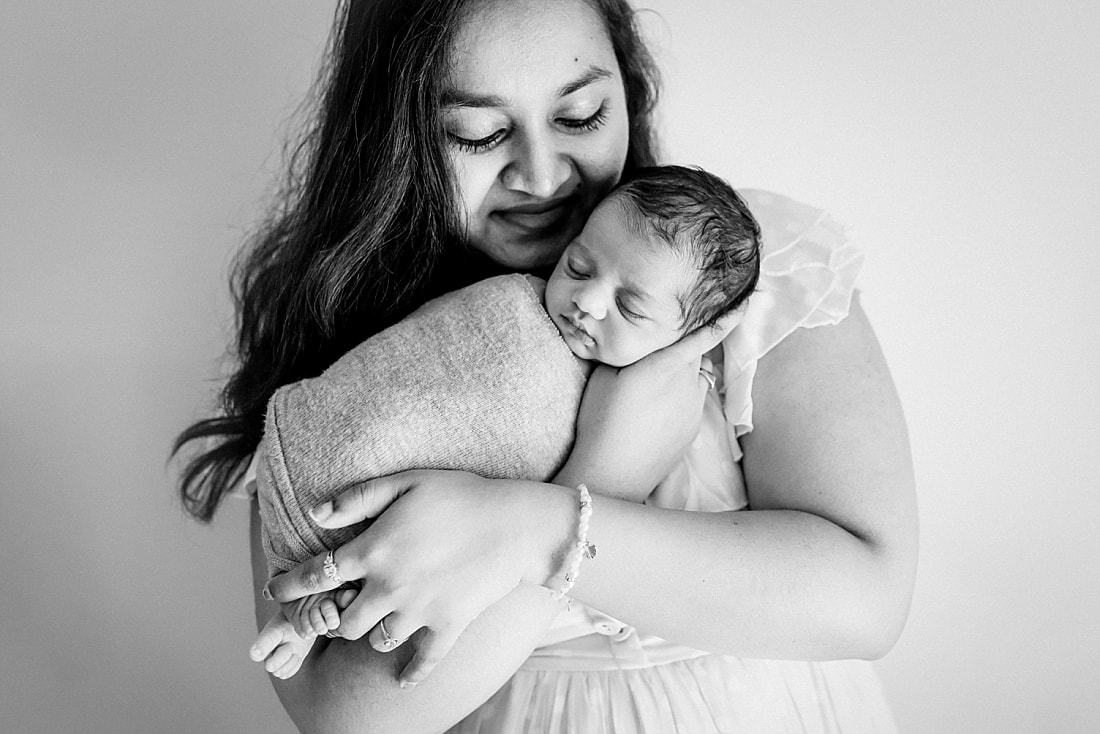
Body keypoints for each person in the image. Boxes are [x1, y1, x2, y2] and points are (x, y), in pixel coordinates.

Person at [174, 1, 917, 732]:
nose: (541, 174)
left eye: (580, 116)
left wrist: (540, 528)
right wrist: (599, 476)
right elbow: (348, 717)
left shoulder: (741, 268)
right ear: (393, 142)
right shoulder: (346, 355)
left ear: (627, 88)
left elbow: (864, 602)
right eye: (480, 132)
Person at [247, 164, 763, 679]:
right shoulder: (515, 302)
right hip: (337, 454)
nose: (586, 300)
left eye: (629, 307)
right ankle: (306, 605)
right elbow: (422, 355)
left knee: (371, 575)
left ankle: (309, 615)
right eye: (579, 267)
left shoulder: (670, 415)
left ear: (690, 337)